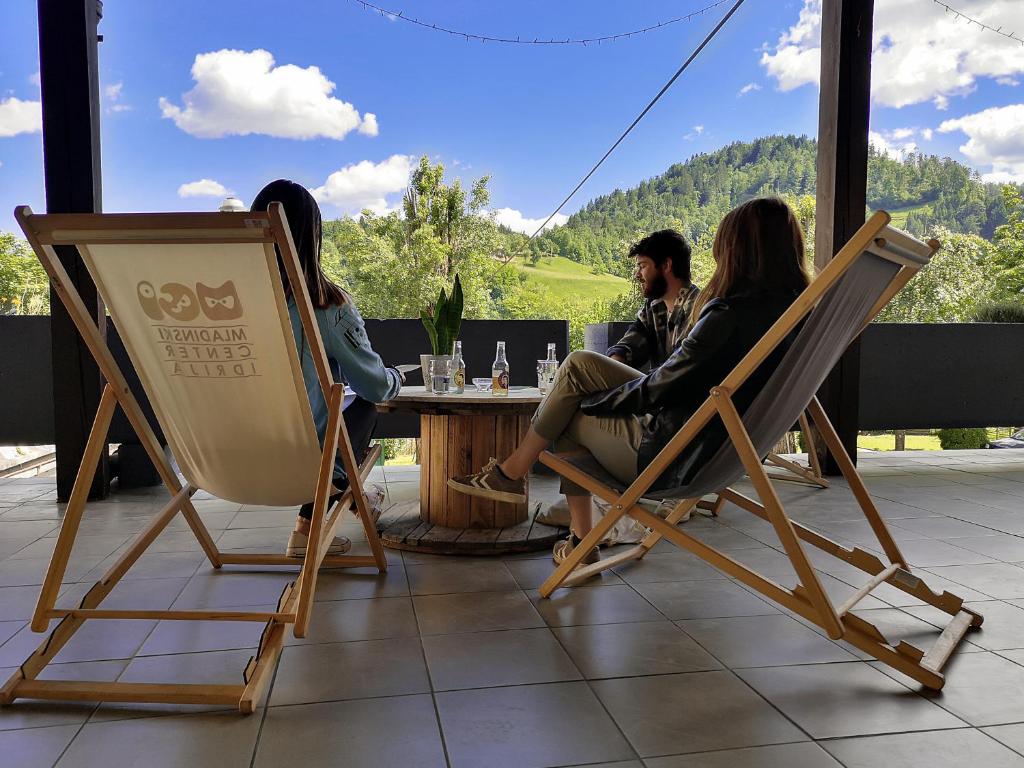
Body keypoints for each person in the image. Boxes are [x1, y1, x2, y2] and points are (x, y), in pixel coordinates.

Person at [448, 197, 810, 566]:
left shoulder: (721, 313)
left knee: (571, 400)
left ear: (738, 252)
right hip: (722, 447)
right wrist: (608, 372)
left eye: (642, 266)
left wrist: (591, 401)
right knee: (579, 372)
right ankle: (560, 520)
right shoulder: (792, 315)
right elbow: (635, 349)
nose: (637, 274)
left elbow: (663, 387)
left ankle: (536, 497)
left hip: (677, 452)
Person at [250, 180, 403, 558]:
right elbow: (373, 386)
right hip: (301, 463)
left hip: (224, 456)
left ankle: (348, 502)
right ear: (312, 236)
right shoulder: (324, 305)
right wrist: (396, 377)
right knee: (365, 405)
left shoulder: (223, 300)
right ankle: (318, 516)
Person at [607, 228, 700, 369]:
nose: (637, 275)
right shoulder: (654, 306)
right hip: (654, 385)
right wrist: (615, 362)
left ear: (666, 265)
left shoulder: (697, 307)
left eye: (642, 266)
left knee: (579, 360)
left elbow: (679, 369)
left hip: (672, 388)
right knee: (582, 364)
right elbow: (631, 343)